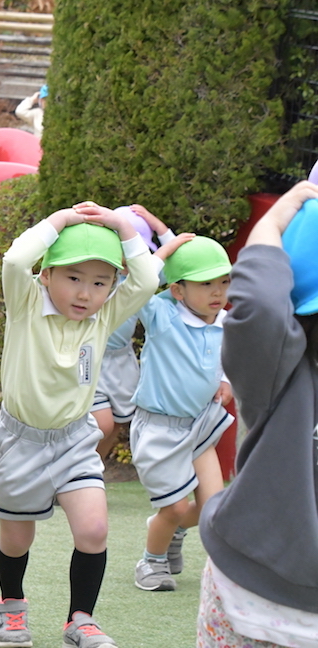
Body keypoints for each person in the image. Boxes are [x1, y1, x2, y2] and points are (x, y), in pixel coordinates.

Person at [0, 202, 159, 648]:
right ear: (46, 276)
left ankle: (80, 620)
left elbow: (147, 279)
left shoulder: (103, 317)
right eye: (73, 278)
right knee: (16, 540)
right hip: (20, 442)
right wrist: (59, 221)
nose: (85, 293)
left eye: (100, 282)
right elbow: (13, 260)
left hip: (75, 440)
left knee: (93, 530)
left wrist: (123, 226)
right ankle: (12, 608)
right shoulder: (25, 302)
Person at [197, 180, 318, 647]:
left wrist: (269, 228)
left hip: (247, 582)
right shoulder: (285, 369)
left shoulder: (277, 366)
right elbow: (263, 313)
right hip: (246, 596)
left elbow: (263, 308)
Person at [130, 234, 235, 592]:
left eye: (223, 281)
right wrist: (164, 253)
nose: (217, 291)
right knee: (174, 507)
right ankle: (151, 561)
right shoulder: (163, 314)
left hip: (200, 425)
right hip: (159, 428)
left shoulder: (223, 321)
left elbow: (223, 360)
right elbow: (139, 284)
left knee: (211, 508)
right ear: (177, 290)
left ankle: (170, 533)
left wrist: (225, 381)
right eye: (206, 283)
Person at [89, 205, 175, 460]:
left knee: (116, 423)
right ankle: (74, 473)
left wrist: (158, 226)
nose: (128, 260)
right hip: (90, 357)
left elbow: (173, 262)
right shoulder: (98, 274)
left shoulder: (143, 278)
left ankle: (92, 471)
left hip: (122, 362)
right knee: (101, 424)